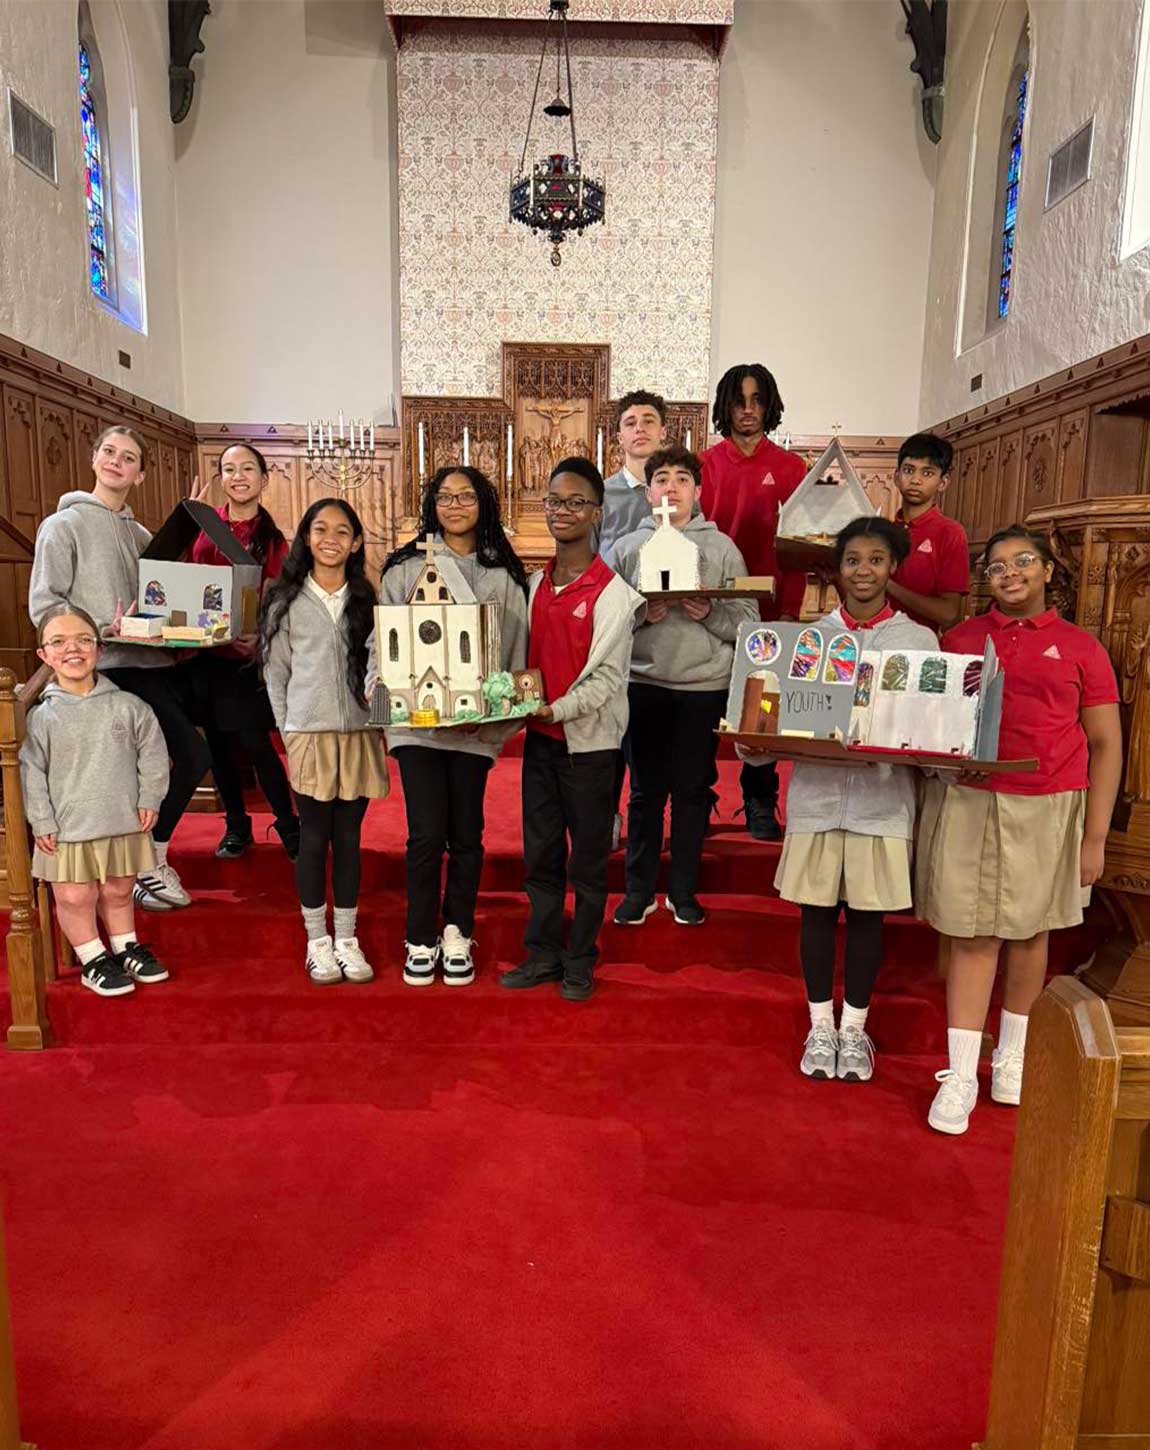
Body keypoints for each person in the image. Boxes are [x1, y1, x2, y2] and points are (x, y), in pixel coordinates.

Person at [920, 526, 1123, 1135]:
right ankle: (960, 1074)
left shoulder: (1081, 647)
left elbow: (1106, 744)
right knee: (973, 935)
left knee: (1031, 934)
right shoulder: (960, 639)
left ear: (1047, 570)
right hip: (971, 801)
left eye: (1023, 561)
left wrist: (1095, 836)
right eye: (996, 566)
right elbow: (931, 723)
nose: (1009, 574)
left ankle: (1011, 1058)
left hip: (1048, 803)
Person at [747, 517, 937, 1084]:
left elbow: (932, 727)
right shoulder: (808, 639)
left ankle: (854, 1028)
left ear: (893, 567)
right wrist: (755, 736)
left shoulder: (917, 642)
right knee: (816, 911)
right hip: (819, 798)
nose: (863, 571)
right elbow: (771, 715)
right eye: (853, 560)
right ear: (837, 569)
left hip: (882, 800)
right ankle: (820, 1025)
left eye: (876, 560)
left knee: (868, 916)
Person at [28, 424, 208, 912]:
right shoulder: (63, 525)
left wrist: (186, 528)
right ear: (93, 459)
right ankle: (147, 862)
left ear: (140, 474)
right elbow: (46, 604)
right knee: (189, 754)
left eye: (128, 458)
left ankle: (149, 855)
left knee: (192, 756)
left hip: (152, 662)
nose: (116, 462)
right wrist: (92, 631)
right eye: (109, 451)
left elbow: (159, 601)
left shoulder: (141, 534)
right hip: (107, 666)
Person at [499, 457, 644, 1002]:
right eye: (555, 501)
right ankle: (542, 953)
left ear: (597, 513)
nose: (563, 511)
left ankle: (580, 958)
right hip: (541, 745)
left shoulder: (613, 594)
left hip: (591, 750)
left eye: (576, 502)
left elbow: (607, 680)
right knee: (540, 856)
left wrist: (555, 710)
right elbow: (516, 659)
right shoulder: (534, 584)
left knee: (586, 860)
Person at [379, 466, 529, 987]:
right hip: (417, 726)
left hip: (473, 729)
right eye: (445, 496)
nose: (456, 505)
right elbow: (383, 642)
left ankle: (457, 930)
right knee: (425, 834)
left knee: (467, 834)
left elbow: (515, 654)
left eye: (466, 496)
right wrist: (389, 700)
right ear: (432, 505)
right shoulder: (406, 569)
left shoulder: (503, 576)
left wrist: (495, 718)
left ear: (484, 503)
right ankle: (420, 936)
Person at [606, 445, 757, 926]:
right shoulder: (626, 548)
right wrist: (639, 616)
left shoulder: (722, 548)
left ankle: (683, 890)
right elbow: (601, 625)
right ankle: (638, 890)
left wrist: (710, 613)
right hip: (644, 683)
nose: (671, 487)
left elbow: (750, 623)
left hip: (703, 685)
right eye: (661, 479)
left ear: (697, 490)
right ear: (648, 492)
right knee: (645, 791)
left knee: (693, 790)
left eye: (682, 479)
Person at [262, 497, 388, 985]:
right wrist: (290, 732)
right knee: (314, 838)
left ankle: (347, 939)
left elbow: (380, 667)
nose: (330, 539)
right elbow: (276, 675)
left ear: (355, 543)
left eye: (341, 531)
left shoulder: (367, 600)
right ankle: (317, 940)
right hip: (309, 735)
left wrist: (379, 722)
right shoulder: (286, 600)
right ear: (306, 537)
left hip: (357, 734)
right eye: (320, 529)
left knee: (349, 839)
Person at [20, 605, 171, 997]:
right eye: (58, 642)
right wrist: (41, 819)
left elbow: (153, 755)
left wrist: (150, 796)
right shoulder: (41, 717)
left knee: (120, 889)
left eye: (83, 640)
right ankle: (92, 958)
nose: (72, 649)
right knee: (75, 895)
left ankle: (125, 948)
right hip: (68, 826)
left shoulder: (129, 706)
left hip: (121, 817)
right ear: (44, 655)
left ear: (99, 649)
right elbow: (31, 771)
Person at [699, 364, 807, 842]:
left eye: (757, 400)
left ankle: (760, 797)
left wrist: (790, 609)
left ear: (770, 406)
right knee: (706, 706)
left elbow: (800, 549)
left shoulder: (790, 469)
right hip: (709, 607)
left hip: (769, 607)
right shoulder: (703, 465)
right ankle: (699, 793)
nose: (748, 410)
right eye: (739, 401)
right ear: (725, 406)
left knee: (762, 708)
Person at [190, 444, 300, 861]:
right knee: (218, 744)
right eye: (229, 469)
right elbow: (180, 574)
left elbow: (280, 598)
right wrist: (186, 517)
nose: (238, 477)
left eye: (248, 469)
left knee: (256, 742)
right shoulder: (203, 525)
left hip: (247, 657)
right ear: (221, 477)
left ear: (264, 479)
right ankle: (236, 826)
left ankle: (288, 824)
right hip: (205, 653)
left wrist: (262, 638)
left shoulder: (272, 539)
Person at [885, 432, 970, 631]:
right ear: (896, 476)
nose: (915, 480)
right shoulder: (882, 531)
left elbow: (949, 614)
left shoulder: (950, 533)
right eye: (909, 470)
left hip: (920, 645)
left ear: (943, 482)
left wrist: (887, 585)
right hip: (873, 640)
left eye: (927, 473)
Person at [597, 390, 666, 557]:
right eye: (630, 423)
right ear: (620, 438)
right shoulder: (601, 495)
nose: (640, 429)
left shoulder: (680, 492)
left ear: (662, 432)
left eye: (648, 421)